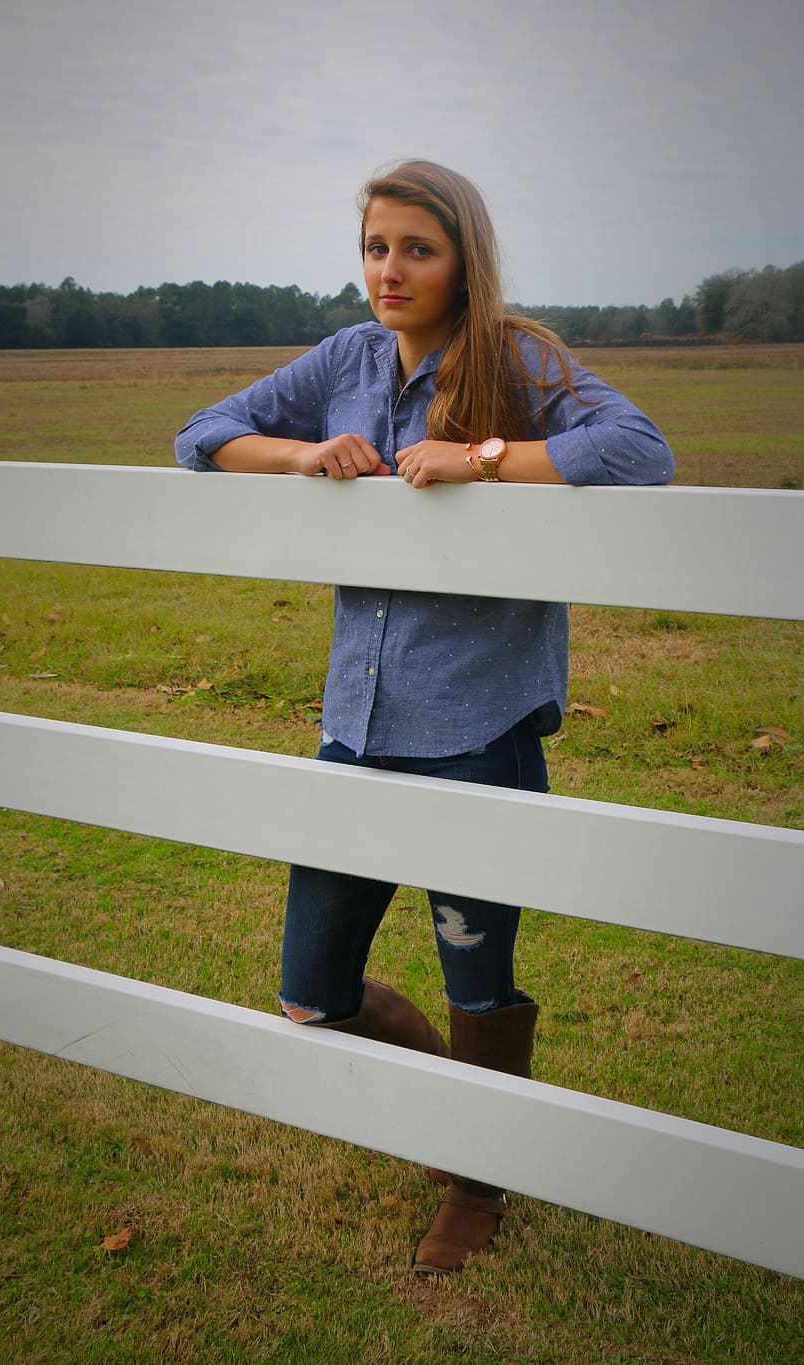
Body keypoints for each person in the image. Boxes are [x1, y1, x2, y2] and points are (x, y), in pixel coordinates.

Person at [174, 159, 675, 1275]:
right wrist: (303, 452)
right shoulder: (345, 360)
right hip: (353, 727)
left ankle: (475, 1181)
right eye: (373, 248)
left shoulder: (516, 356)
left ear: (463, 259)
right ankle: (471, 1110)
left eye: (415, 249)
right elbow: (202, 433)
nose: (387, 271)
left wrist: (487, 458)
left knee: (476, 980)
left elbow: (642, 450)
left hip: (477, 731)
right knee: (310, 996)